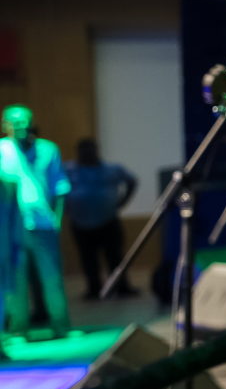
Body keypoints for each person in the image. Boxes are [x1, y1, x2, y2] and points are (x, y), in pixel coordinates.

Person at [0, 106, 72, 335]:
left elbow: (60, 186)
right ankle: (18, 329)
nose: (21, 126)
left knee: (51, 276)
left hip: (43, 223)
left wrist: (57, 218)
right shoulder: (2, 150)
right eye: (15, 122)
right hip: (11, 228)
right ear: (5, 125)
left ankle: (61, 325)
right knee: (16, 279)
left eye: (25, 121)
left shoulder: (48, 149)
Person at [62, 138, 137, 298]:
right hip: (80, 223)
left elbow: (132, 181)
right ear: (78, 152)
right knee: (88, 259)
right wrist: (65, 208)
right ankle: (94, 289)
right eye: (83, 150)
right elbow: (56, 188)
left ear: (96, 151)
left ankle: (121, 287)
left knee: (115, 256)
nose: (87, 154)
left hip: (108, 221)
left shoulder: (112, 169)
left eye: (90, 150)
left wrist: (123, 201)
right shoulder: (68, 170)